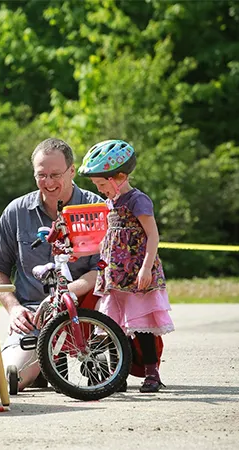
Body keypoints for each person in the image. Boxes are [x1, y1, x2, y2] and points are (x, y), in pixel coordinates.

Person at [0, 138, 103, 392]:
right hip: (35, 314)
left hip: (88, 311)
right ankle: (42, 364)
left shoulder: (95, 208)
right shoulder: (16, 211)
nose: (48, 183)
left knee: (106, 374)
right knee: (9, 380)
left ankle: (99, 356)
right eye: (41, 175)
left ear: (72, 171)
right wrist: (14, 308)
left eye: (55, 175)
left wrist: (67, 293)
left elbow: (102, 269)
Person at [78, 139, 174, 393]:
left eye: (101, 185)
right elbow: (109, 237)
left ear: (119, 176)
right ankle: (116, 374)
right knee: (112, 324)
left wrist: (145, 268)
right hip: (114, 273)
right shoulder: (111, 202)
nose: (100, 190)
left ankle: (152, 373)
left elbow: (152, 235)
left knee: (139, 324)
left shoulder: (137, 200)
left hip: (135, 273)